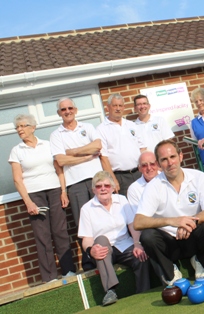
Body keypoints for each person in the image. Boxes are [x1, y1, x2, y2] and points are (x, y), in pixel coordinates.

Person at [134, 140, 204, 285]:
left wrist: (189, 222)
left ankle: (201, 263)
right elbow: (138, 222)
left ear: (181, 156)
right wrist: (173, 221)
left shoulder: (199, 177)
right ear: (159, 164)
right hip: (169, 244)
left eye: (173, 157)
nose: (170, 163)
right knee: (147, 236)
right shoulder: (153, 186)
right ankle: (171, 272)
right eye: (164, 160)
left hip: (193, 235)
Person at [9, 114, 76, 282]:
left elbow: (59, 169)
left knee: (60, 231)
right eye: (17, 127)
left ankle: (68, 271)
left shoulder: (48, 145)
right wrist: (28, 202)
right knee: (42, 235)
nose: (20, 130)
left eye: (23, 126)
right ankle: (49, 277)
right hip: (34, 195)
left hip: (54, 191)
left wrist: (63, 191)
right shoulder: (17, 151)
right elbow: (17, 179)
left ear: (33, 127)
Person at [78, 171, 150, 306]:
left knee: (140, 255)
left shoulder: (122, 200)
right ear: (93, 190)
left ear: (112, 187)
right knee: (100, 241)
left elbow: (132, 225)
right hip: (104, 249)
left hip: (124, 244)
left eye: (106, 185)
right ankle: (110, 291)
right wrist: (90, 250)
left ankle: (144, 291)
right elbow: (87, 239)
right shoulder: (86, 209)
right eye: (99, 186)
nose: (103, 189)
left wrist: (137, 243)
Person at [50, 97, 102, 271]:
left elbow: (97, 146)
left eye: (70, 108)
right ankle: (88, 261)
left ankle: (109, 254)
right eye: (63, 109)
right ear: (59, 113)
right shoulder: (56, 135)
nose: (67, 111)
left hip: (96, 180)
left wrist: (73, 152)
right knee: (83, 223)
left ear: (76, 109)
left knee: (102, 217)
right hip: (75, 184)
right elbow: (61, 160)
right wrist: (86, 156)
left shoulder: (87, 127)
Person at [96, 93, 146, 196]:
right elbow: (103, 158)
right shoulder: (101, 129)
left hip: (139, 173)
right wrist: (112, 179)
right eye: (115, 105)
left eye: (120, 105)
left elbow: (142, 149)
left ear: (123, 107)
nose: (118, 108)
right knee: (127, 208)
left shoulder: (132, 125)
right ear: (108, 107)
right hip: (120, 177)